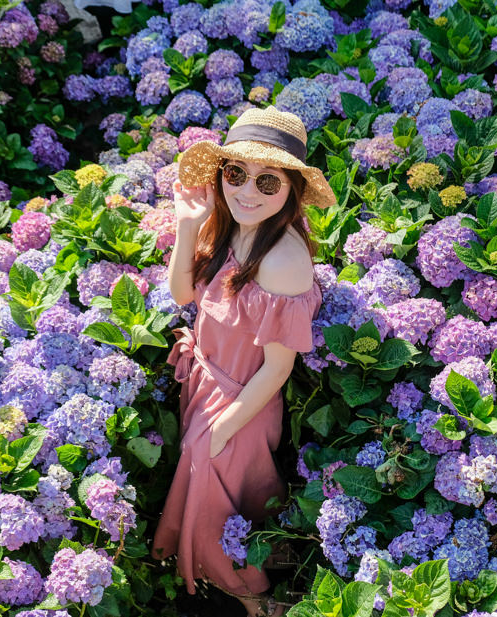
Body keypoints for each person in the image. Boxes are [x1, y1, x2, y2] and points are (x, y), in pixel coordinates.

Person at [152, 106, 336, 617]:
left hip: (243, 403)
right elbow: (185, 292)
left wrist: (219, 432)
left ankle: (253, 597)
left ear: (292, 189)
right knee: (234, 503)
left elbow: (276, 370)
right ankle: (258, 579)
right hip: (206, 383)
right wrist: (188, 226)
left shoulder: (282, 260)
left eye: (267, 181)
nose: (247, 191)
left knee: (217, 498)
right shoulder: (230, 225)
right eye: (235, 174)